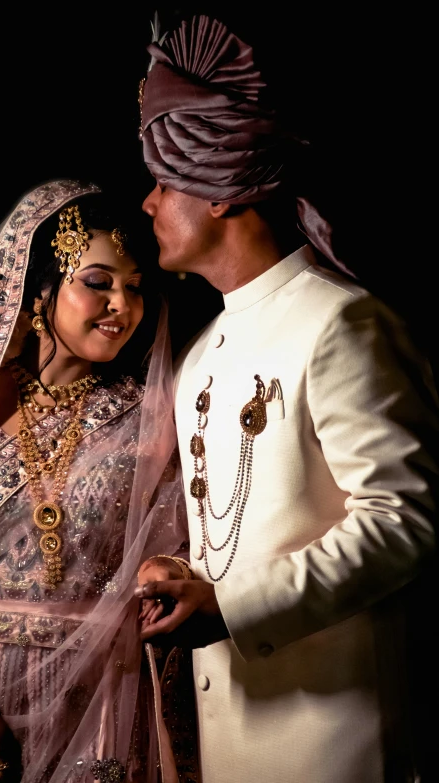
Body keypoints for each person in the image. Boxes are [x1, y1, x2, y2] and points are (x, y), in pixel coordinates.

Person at [135, 13, 439, 783]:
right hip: (227, 724)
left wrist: (232, 606)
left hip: (333, 731)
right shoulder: (201, 352)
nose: (147, 203)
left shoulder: (341, 320)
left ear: (219, 195)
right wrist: (181, 575)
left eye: (164, 181)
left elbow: (402, 521)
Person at [0, 178, 200, 783]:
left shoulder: (145, 418)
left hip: (105, 701)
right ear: (37, 293)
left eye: (135, 288)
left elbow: (178, 548)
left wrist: (170, 571)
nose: (122, 305)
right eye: (97, 283)